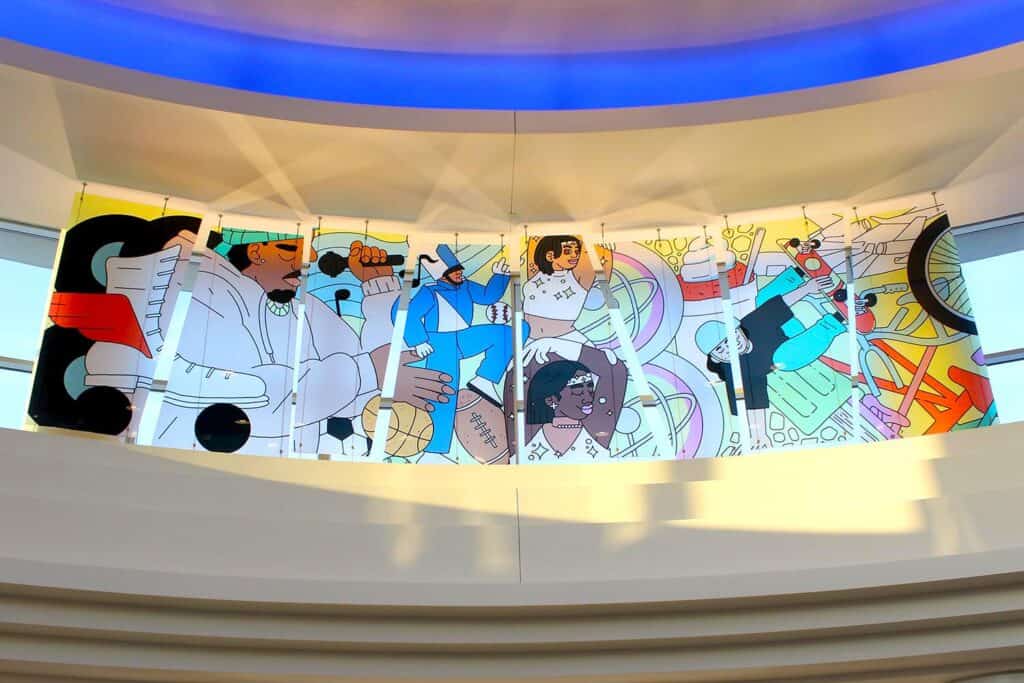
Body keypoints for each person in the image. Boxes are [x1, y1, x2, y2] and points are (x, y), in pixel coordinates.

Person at [155, 229, 452, 454]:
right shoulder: (204, 288)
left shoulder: (303, 307)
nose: (308, 258)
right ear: (256, 252)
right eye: (292, 249)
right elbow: (252, 397)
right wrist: (370, 371)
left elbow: (357, 389)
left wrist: (378, 288)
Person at [696, 266, 845, 449]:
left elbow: (778, 306)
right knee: (784, 359)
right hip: (795, 343)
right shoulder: (741, 371)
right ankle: (833, 323)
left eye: (731, 338)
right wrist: (759, 435)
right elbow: (752, 403)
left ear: (738, 329)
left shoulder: (752, 323)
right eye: (721, 349)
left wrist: (807, 288)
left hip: (784, 327)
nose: (731, 346)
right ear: (717, 359)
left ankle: (796, 274)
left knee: (763, 300)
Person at [403, 245, 512, 462]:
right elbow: (410, 315)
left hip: (464, 337)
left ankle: (485, 379)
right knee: (443, 392)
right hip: (440, 344)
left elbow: (487, 296)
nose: (460, 272)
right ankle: (435, 450)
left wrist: (499, 277)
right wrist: (418, 340)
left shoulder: (466, 285)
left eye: (459, 269)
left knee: (508, 333)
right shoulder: (430, 291)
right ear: (442, 275)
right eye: (454, 270)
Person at [523, 359, 615, 463]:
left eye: (590, 389)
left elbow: (613, 370)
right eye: (578, 391)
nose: (589, 398)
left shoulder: (600, 441)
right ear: (551, 399)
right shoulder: (526, 446)